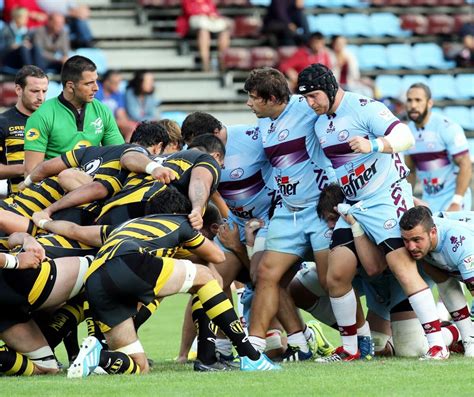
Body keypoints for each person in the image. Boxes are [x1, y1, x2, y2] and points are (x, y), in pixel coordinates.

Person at [296, 63, 448, 361]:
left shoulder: (364, 107)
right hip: (354, 206)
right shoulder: (319, 125)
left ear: (329, 87)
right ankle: (351, 350)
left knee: (403, 269)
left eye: (314, 96)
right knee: (336, 275)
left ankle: (437, 344)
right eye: (306, 99)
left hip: (385, 197)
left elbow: (406, 136)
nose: (310, 103)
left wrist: (374, 144)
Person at [35, 195, 280, 376]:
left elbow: (75, 230)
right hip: (130, 263)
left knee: (138, 365)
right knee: (207, 277)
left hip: (96, 277)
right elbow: (217, 256)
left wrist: (44, 222)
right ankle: (251, 356)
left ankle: (100, 356)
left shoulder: (123, 227)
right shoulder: (182, 224)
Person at [243, 67, 335, 361]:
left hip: (319, 209)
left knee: (332, 280)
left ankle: (356, 339)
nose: (248, 103)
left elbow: (340, 119)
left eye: (253, 98)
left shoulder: (307, 110)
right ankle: (257, 350)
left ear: (272, 98)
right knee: (266, 274)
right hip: (286, 211)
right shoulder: (264, 124)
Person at [23, 55, 124, 175]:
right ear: (70, 86)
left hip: (93, 183)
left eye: (96, 81)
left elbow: (119, 154)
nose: (96, 88)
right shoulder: (42, 115)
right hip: (55, 185)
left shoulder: (102, 110)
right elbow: (32, 172)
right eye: (89, 84)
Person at [400, 206, 474, 356]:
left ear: (433, 232)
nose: (411, 247)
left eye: (416, 240)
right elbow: (447, 285)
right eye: (406, 240)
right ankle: (466, 339)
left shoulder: (460, 245)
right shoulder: (424, 245)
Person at [404, 83, 472, 212]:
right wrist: (407, 200)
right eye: (409, 100)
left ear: (430, 103)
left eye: (418, 100)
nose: (413, 105)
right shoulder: (407, 132)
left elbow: (465, 164)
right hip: (428, 200)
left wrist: (456, 201)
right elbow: (410, 172)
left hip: (453, 199)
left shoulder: (447, 127)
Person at [0, 65, 48, 196]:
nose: (41, 97)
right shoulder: (3, 122)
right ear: (18, 90)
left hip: (54, 200)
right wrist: (31, 168)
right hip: (19, 201)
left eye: (44, 91)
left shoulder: (54, 121)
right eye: (35, 91)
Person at [176, 0, 231, 72]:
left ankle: (223, 62)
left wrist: (213, 16)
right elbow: (190, 12)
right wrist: (207, 14)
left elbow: (214, 13)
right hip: (192, 27)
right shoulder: (188, 1)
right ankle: (205, 63)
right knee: (203, 32)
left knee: (224, 32)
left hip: (209, 25)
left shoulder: (208, 1)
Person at [96, 70, 137, 142]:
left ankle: (126, 149)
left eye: (119, 83)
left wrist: (125, 123)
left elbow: (121, 114)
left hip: (113, 122)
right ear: (106, 82)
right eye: (115, 83)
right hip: (98, 121)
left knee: (132, 128)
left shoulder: (117, 94)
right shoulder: (97, 91)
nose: (117, 86)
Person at [0, 7, 44, 71]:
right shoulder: (6, 30)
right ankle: (29, 71)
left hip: (21, 58)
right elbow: (1, 49)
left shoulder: (26, 31)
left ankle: (40, 71)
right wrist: (13, 45)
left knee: (35, 48)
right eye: (25, 17)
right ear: (17, 18)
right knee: (23, 48)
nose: (27, 20)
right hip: (9, 59)